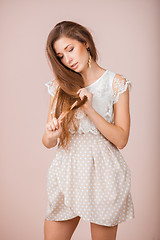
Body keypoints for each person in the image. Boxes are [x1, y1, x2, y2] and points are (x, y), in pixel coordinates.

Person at [42, 20, 135, 240]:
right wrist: (51, 134)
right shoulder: (59, 87)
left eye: (70, 49)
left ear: (85, 43)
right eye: (61, 56)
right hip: (67, 172)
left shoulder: (115, 83)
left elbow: (121, 139)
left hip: (104, 176)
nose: (68, 59)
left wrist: (90, 110)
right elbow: (47, 141)